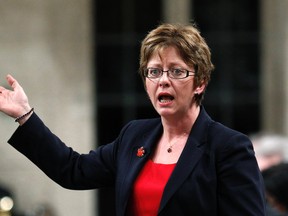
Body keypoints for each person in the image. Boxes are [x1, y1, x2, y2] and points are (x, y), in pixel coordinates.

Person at [0, 23, 266, 215]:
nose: (163, 80)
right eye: (154, 71)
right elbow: (73, 171)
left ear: (200, 83)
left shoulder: (228, 147)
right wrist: (25, 115)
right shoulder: (134, 136)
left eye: (176, 71)